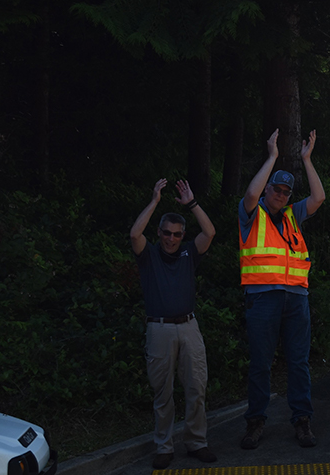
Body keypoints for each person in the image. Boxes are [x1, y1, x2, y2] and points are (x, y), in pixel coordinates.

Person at [239, 128, 325, 450]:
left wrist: (306, 159)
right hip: (262, 298)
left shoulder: (293, 215)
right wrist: (272, 156)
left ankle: (302, 421)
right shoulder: (251, 213)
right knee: (261, 362)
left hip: (297, 298)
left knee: (299, 362)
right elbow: (250, 194)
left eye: (286, 192)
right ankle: (255, 422)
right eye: (277, 189)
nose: (281, 195)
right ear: (268, 189)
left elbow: (318, 198)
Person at [130, 178, 218, 470]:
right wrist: (155, 201)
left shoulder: (188, 253)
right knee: (162, 392)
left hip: (189, 326)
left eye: (176, 234)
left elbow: (210, 232)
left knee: (196, 386)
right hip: (159, 329)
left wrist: (191, 203)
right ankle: (164, 446)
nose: (171, 239)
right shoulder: (149, 255)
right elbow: (134, 234)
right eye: (166, 233)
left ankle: (196, 442)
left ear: (182, 236)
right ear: (159, 232)